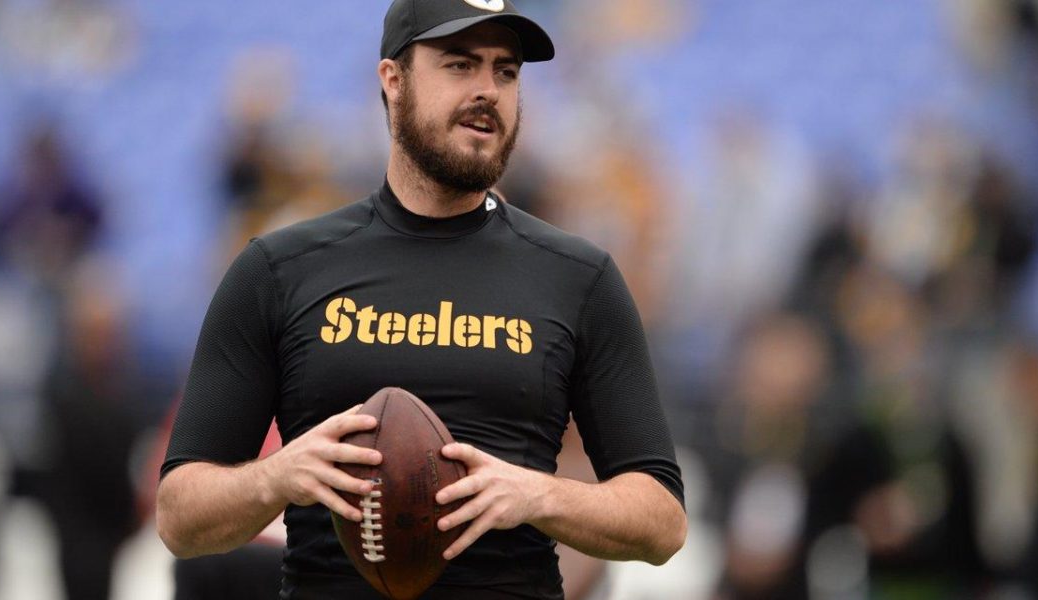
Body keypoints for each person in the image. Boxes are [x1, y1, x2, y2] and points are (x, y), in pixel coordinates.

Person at [155, 1, 688, 598]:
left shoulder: (578, 278)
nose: (488, 90)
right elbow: (179, 516)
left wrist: (537, 493)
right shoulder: (279, 270)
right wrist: (276, 477)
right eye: (460, 65)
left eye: (505, 71)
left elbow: (662, 520)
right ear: (393, 80)